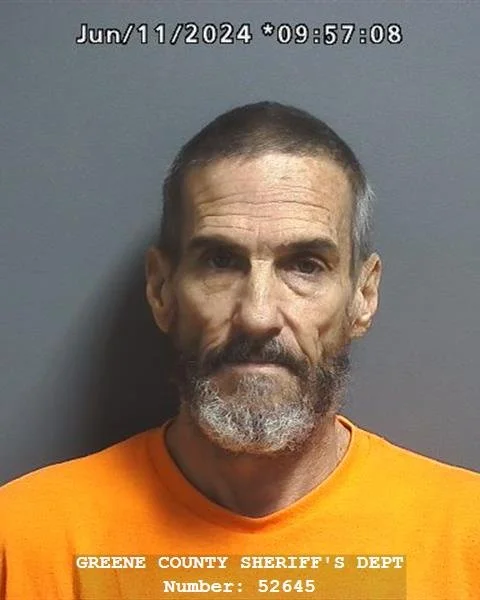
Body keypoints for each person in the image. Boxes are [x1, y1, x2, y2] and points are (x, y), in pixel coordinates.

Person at [1, 101, 479, 600]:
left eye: (306, 265)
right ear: (162, 290)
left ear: (364, 295)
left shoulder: (467, 539)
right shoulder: (26, 539)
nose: (257, 314)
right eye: (221, 261)